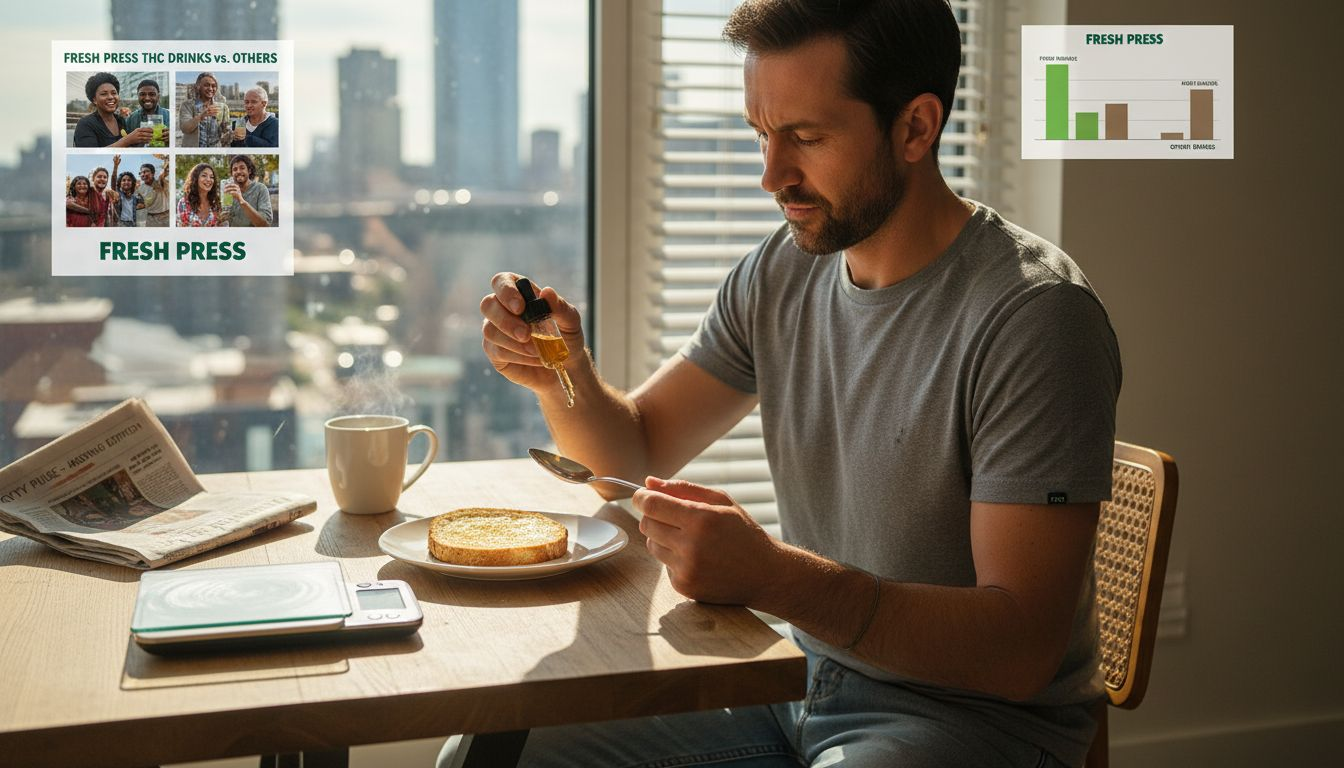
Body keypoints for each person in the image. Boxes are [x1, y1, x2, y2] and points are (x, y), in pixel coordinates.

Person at [475, 2, 1121, 767]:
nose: (770, 176)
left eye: (806, 138)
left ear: (916, 128)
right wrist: (563, 375)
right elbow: (640, 446)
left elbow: (1017, 650)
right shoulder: (783, 271)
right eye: (761, 133)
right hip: (796, 680)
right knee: (508, 742)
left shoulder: (1034, 319)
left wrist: (774, 577)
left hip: (966, 725)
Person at [72, 72, 154, 148]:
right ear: (94, 100)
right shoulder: (85, 124)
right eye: (104, 94)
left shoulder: (120, 121)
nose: (111, 97)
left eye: (114, 93)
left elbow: (129, 148)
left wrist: (143, 138)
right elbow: (89, 155)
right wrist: (127, 140)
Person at [177, 72, 229, 148]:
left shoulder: (223, 107)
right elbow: (185, 128)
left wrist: (232, 132)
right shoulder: (187, 105)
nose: (210, 89)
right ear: (198, 86)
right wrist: (201, 116)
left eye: (213, 86)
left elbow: (226, 129)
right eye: (206, 85)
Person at [219, 154, 272, 227]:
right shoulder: (229, 190)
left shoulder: (261, 189)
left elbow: (265, 224)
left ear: (249, 171)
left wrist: (241, 200)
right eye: (235, 169)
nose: (238, 171)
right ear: (232, 174)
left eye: (242, 168)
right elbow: (225, 216)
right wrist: (220, 218)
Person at [125, 79, 171, 146]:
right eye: (142, 94)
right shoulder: (131, 119)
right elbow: (126, 144)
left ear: (158, 96)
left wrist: (172, 138)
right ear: (138, 96)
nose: (147, 98)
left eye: (152, 94)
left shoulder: (169, 116)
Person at [176, 162, 223, 227]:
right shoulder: (184, 203)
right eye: (204, 175)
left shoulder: (216, 203)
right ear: (195, 178)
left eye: (212, 177)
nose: (209, 179)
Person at [105, 156, 145, 227]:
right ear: (120, 183)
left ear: (132, 183)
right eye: (123, 180)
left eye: (129, 180)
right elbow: (113, 182)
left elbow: (142, 206)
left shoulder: (137, 196)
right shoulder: (117, 194)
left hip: (133, 226)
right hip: (118, 226)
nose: (126, 182)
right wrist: (115, 166)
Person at [136, 155, 170, 227]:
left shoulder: (160, 182)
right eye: (141, 172)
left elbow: (164, 173)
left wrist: (167, 161)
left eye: (146, 171)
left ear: (153, 173)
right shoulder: (140, 188)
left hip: (166, 216)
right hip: (150, 218)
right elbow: (141, 203)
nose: (143, 174)